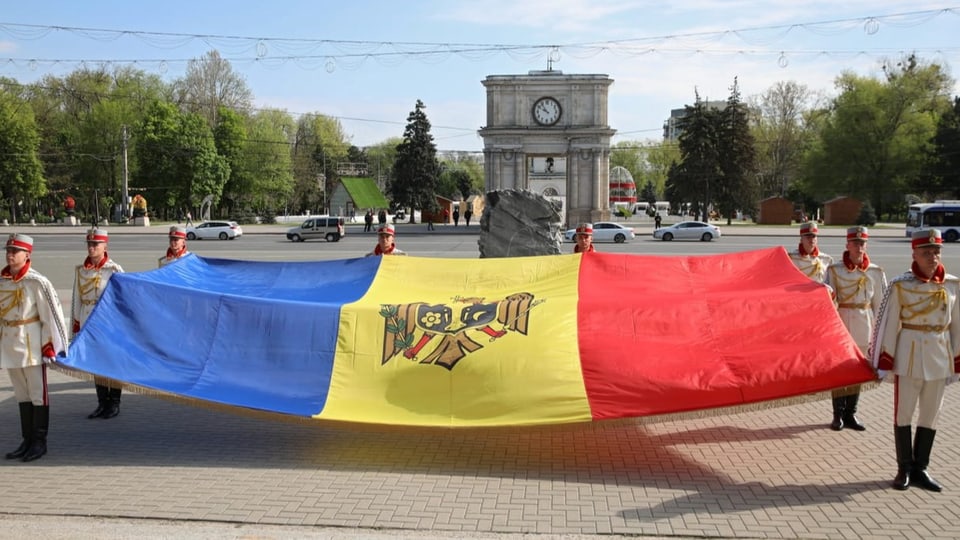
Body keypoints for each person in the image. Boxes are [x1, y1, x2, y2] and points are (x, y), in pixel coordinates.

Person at [871, 228, 959, 492]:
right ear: (915, 254)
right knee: (904, 413)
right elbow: (887, 325)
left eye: (936, 251)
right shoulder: (901, 285)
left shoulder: (952, 286)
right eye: (926, 252)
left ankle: (921, 467)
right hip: (909, 356)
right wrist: (885, 361)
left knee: (931, 414)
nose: (933, 257)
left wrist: (956, 360)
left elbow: (958, 327)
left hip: (939, 356)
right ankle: (904, 469)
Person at [1, 233, 68, 462]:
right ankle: (26, 439)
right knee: (21, 394)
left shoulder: (37, 281)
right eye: (8, 251)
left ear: (27, 254)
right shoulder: (3, 281)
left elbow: (52, 314)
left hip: (32, 345)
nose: (10, 255)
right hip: (10, 344)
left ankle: (40, 442)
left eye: (15, 251)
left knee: (38, 394)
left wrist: (51, 344)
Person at [824, 226, 887, 431]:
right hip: (842, 323)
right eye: (856, 243)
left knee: (859, 370)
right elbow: (827, 300)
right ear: (848, 245)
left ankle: (851, 413)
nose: (859, 247)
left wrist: (879, 334)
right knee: (840, 372)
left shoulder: (875, 272)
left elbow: (880, 306)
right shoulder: (835, 270)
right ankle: (837, 414)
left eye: (863, 243)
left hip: (864, 323)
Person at [72, 228, 125, 419]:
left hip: (108, 323)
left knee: (112, 362)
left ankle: (114, 402)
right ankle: (102, 403)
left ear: (105, 246)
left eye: (96, 244)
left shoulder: (114, 270)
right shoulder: (81, 270)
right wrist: (76, 327)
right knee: (95, 364)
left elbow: (122, 300)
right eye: (90, 244)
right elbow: (76, 299)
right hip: (88, 321)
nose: (92, 248)